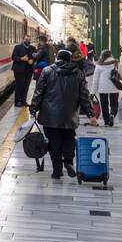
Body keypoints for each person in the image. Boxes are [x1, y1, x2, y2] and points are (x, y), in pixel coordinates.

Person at [30, 48, 97, 179]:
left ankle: (57, 171)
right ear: (70, 60)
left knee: (53, 143)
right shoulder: (78, 73)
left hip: (50, 116)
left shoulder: (47, 71)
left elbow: (39, 92)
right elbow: (85, 96)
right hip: (69, 115)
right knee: (69, 138)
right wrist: (91, 114)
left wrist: (33, 108)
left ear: (57, 59)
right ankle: (68, 161)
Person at [92, 49, 122, 126]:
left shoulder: (99, 65)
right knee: (114, 104)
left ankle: (106, 121)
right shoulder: (117, 63)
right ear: (111, 55)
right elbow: (121, 77)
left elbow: (95, 80)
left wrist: (93, 92)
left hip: (102, 88)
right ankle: (112, 115)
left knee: (104, 104)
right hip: (114, 87)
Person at [11, 33, 36, 106]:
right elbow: (13, 57)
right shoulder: (17, 47)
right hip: (19, 70)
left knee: (26, 86)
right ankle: (17, 101)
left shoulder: (33, 48)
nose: (27, 41)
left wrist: (33, 60)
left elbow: (35, 57)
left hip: (29, 70)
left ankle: (23, 101)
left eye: (28, 39)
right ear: (23, 40)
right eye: (26, 39)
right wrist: (21, 58)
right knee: (19, 86)